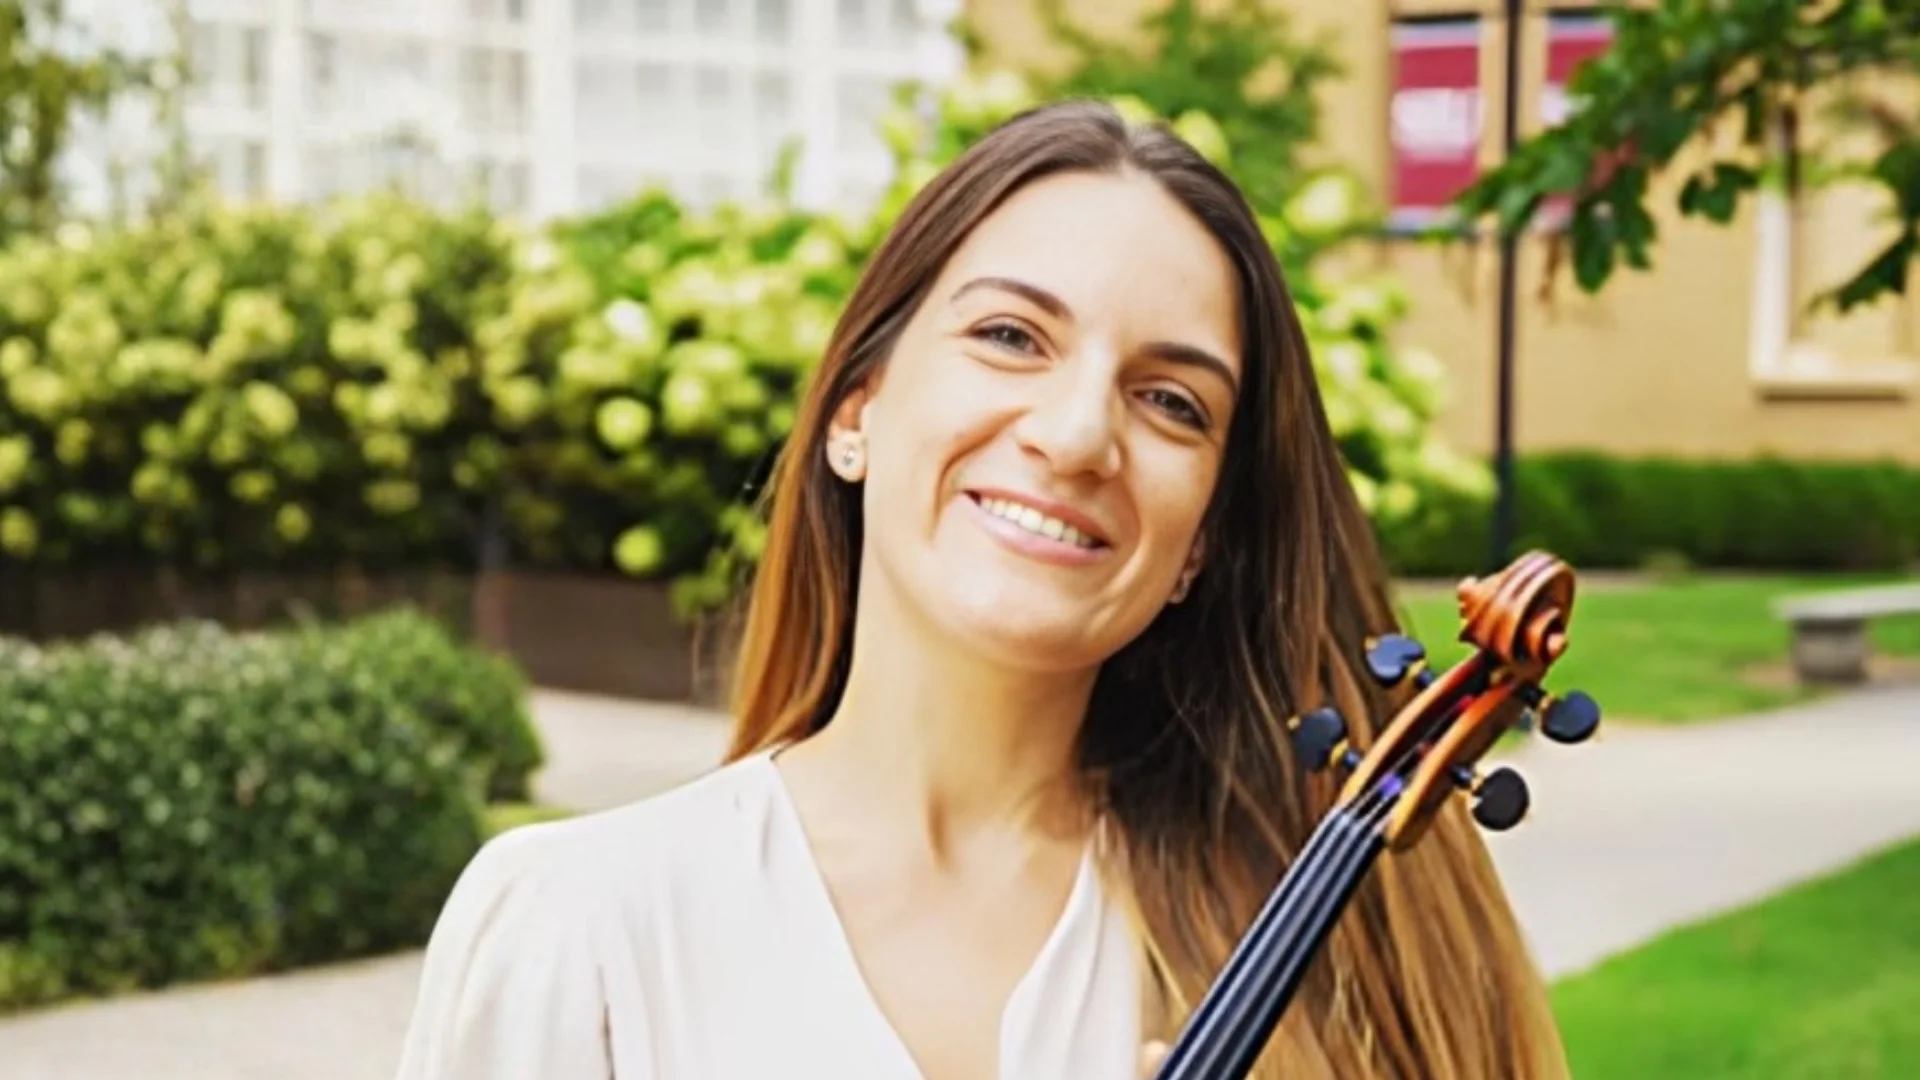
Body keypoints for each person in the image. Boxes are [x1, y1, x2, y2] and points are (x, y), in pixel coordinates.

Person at [391, 100, 1569, 1080]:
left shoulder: (1320, 956)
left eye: (1172, 402)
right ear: (858, 412)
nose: (1076, 435)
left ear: (1200, 543)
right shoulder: (583, 926)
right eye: (1010, 335)